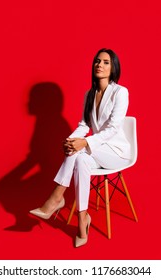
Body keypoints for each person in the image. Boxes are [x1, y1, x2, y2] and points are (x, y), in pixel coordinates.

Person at [30, 48, 131, 247]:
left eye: (105, 62)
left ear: (113, 68)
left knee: (80, 150)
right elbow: (84, 125)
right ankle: (82, 219)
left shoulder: (120, 92)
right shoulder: (90, 94)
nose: (99, 65)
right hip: (96, 150)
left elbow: (112, 129)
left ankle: (56, 198)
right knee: (80, 156)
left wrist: (83, 142)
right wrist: (70, 140)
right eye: (97, 61)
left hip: (117, 153)